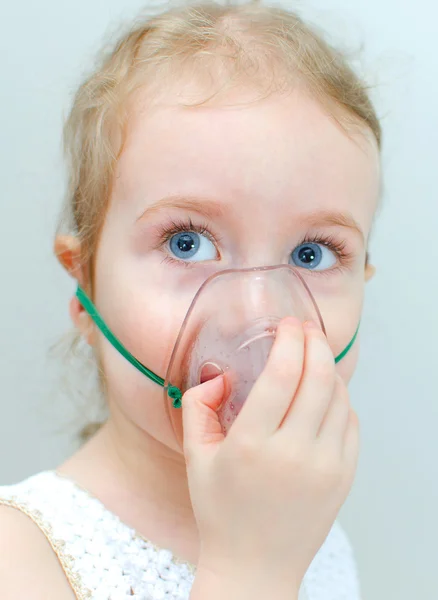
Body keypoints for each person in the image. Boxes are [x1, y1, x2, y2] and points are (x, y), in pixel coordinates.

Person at [0, 1, 381, 599]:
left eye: (312, 253)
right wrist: (251, 573)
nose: (258, 313)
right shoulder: (20, 559)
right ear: (85, 287)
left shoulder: (313, 532)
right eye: (188, 242)